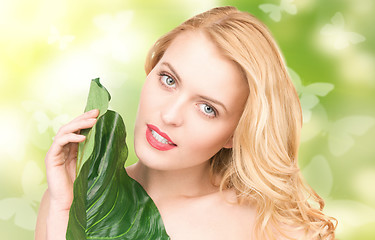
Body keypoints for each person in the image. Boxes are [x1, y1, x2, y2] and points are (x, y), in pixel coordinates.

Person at [35, 6, 337, 240]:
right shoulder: (71, 197)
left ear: (235, 133)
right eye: (168, 80)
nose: (169, 115)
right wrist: (64, 211)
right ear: (151, 70)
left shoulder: (269, 228)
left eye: (207, 108)